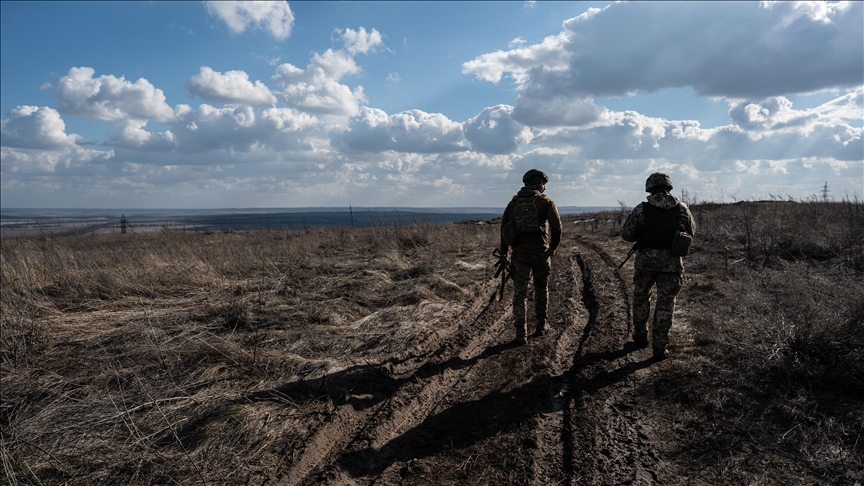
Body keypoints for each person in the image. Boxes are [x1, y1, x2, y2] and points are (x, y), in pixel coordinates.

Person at [620, 172, 696, 360]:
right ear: (669, 187)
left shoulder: (641, 209)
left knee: (641, 298)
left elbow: (626, 234)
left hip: (645, 262)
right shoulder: (682, 208)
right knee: (666, 305)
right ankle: (660, 348)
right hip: (671, 264)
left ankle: (640, 338)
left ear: (650, 187)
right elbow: (691, 231)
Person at [499, 169, 562, 345]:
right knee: (541, 289)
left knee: (520, 294)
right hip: (541, 255)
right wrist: (552, 247)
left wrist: (504, 254)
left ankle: (521, 334)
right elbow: (557, 228)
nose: (545, 187)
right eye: (544, 184)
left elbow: (504, 230)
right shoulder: (546, 202)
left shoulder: (513, 204)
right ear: (538, 184)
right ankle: (541, 327)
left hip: (519, 256)